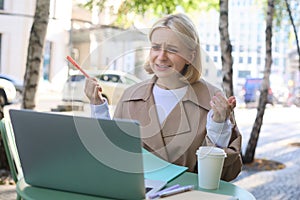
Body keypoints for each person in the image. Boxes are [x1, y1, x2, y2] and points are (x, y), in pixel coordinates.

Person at [84, 13, 242, 181]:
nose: (161, 56)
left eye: (172, 50)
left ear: (191, 56)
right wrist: (98, 107)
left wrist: (219, 127)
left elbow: (226, 175)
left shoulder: (213, 101)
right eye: (156, 47)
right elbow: (113, 156)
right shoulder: (130, 95)